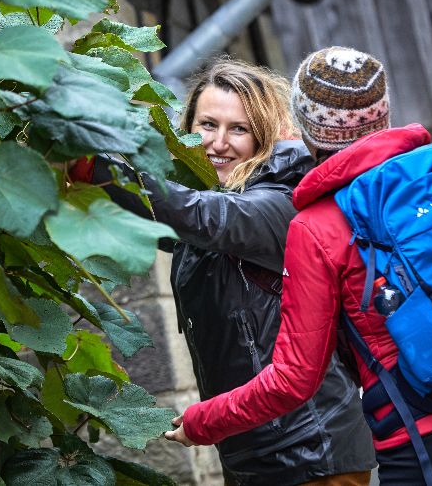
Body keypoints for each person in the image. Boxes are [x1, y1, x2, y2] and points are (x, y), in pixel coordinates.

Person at [166, 47, 432, 485]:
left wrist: (202, 421)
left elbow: (294, 378)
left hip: (421, 440)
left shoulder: (317, 226)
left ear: (301, 126)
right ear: (384, 114)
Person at [75, 58, 375, 485]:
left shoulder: (284, 201)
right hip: (246, 447)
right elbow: (160, 221)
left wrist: (94, 165)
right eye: (206, 125)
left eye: (238, 129)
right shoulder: (215, 203)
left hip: (311, 445)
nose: (218, 143)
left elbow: (205, 218)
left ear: (265, 134)